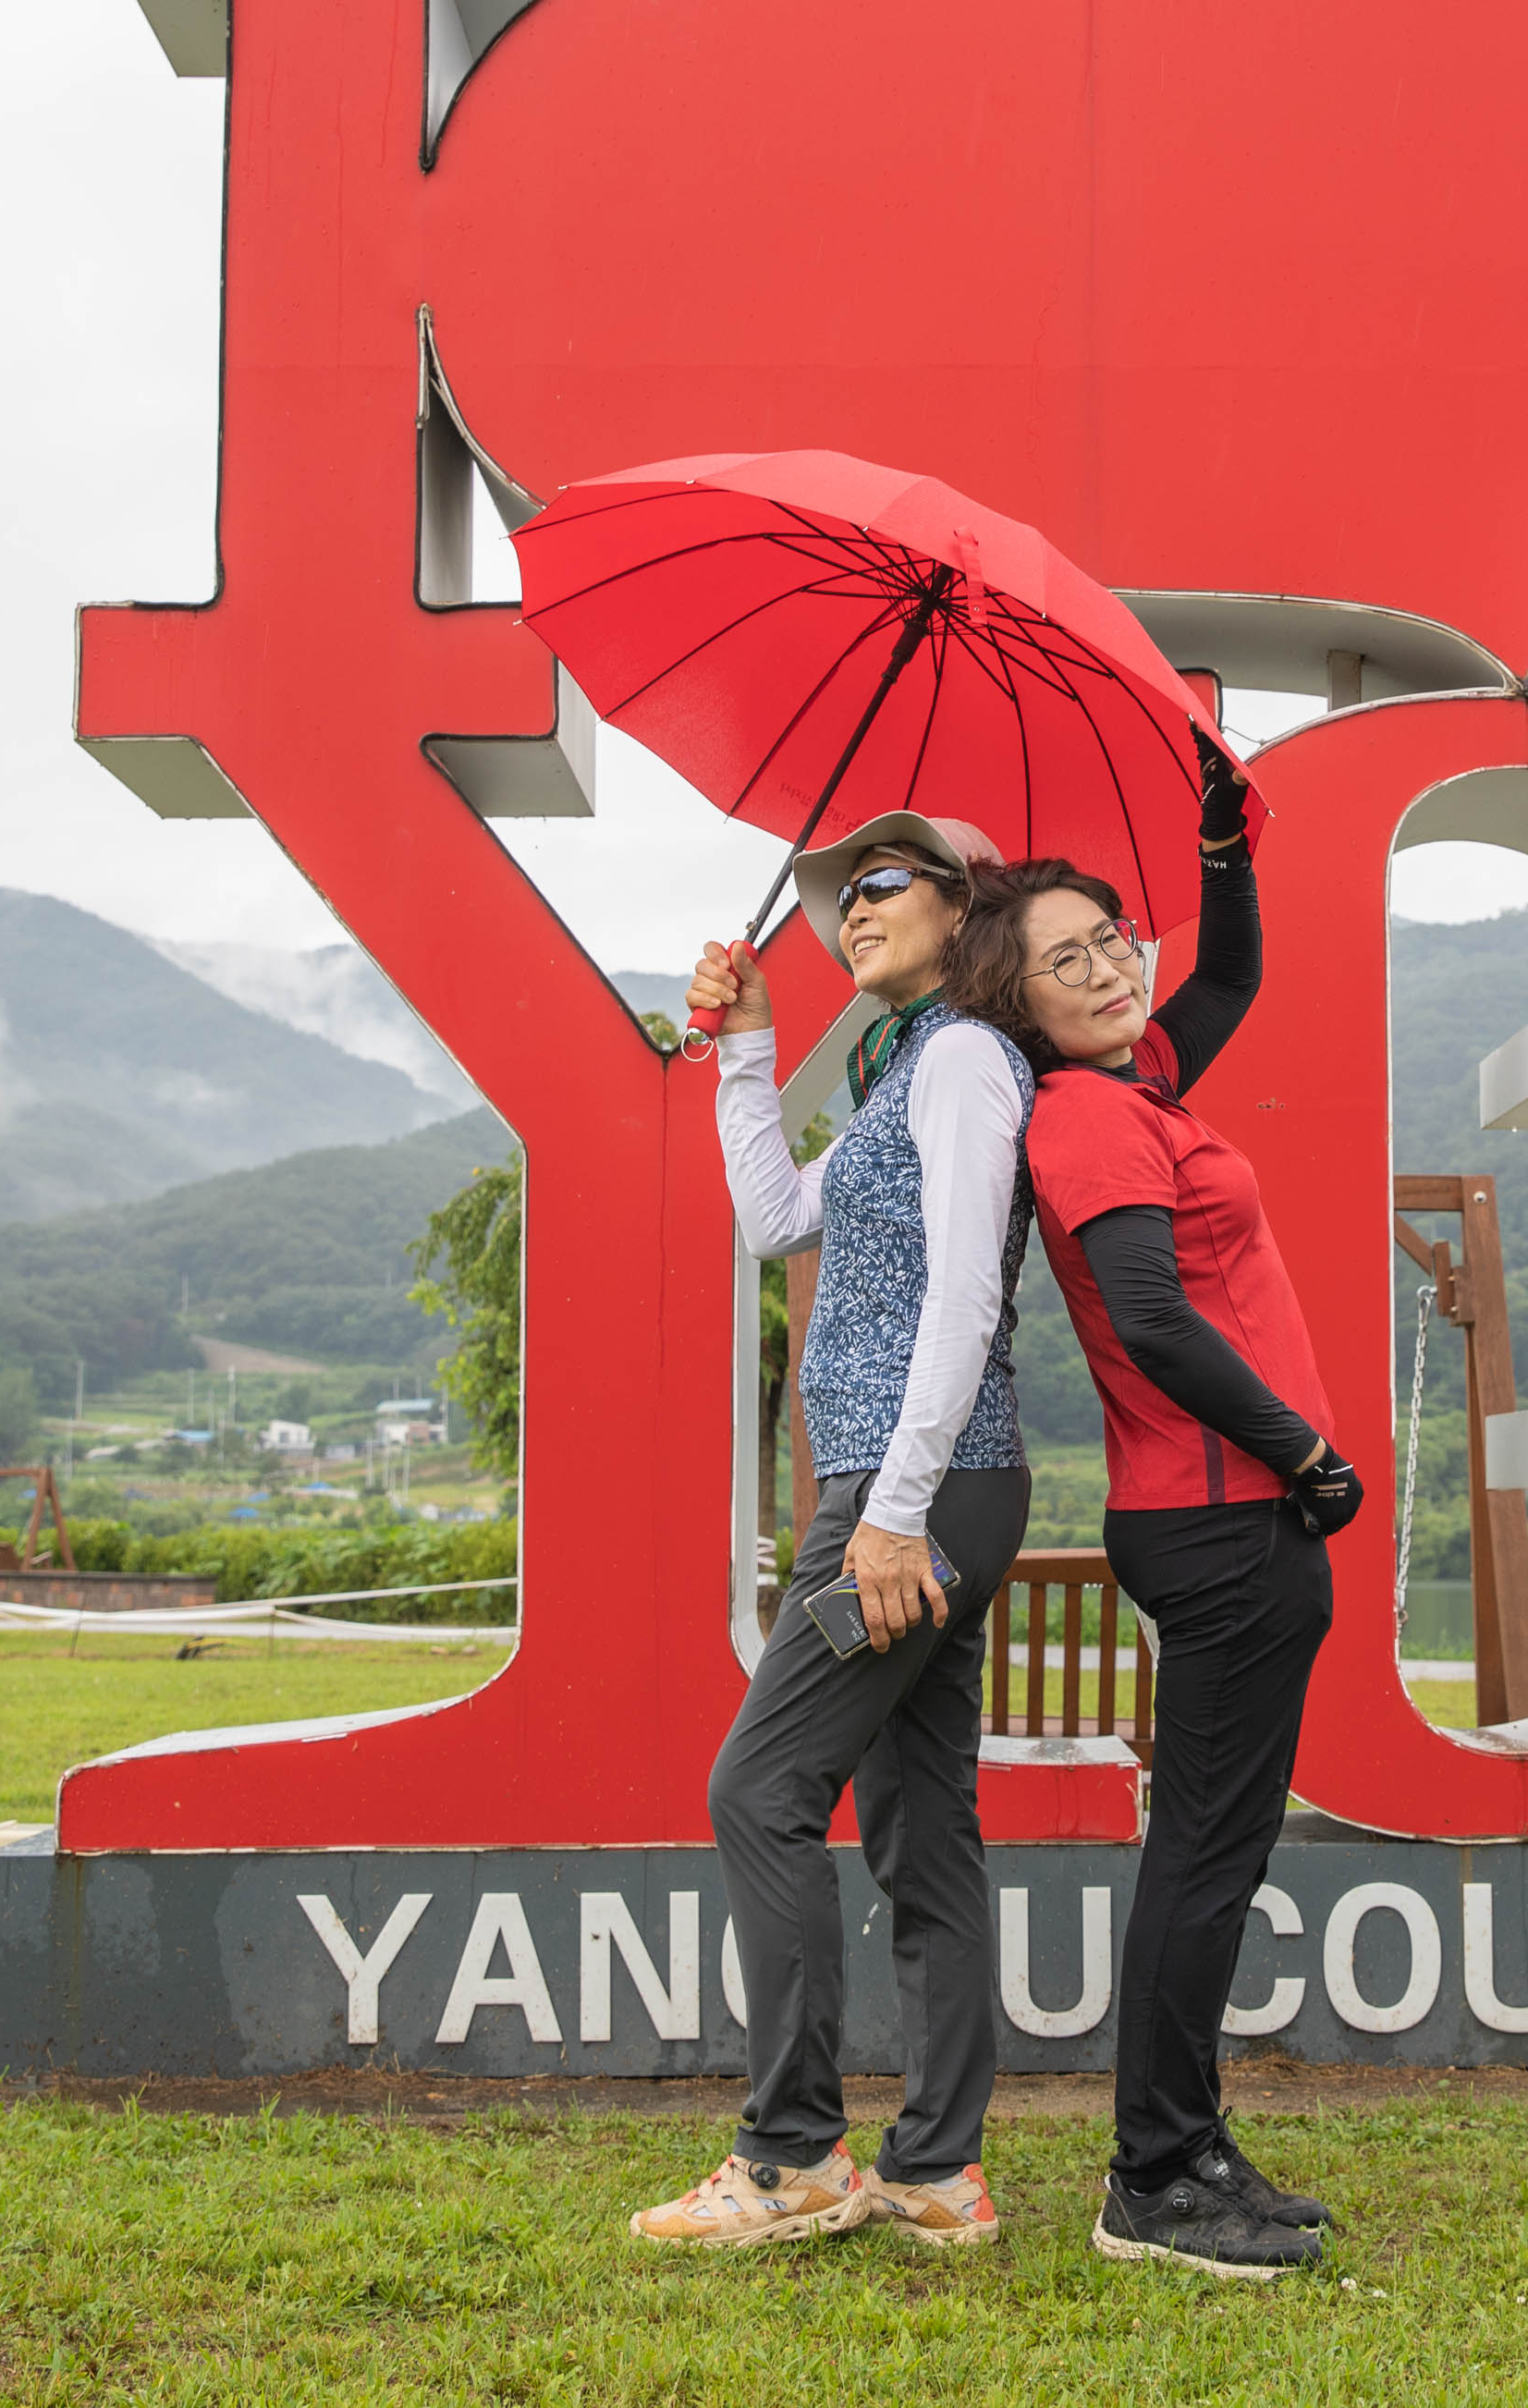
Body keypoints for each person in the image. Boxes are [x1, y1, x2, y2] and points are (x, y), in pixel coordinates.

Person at [943, 745, 1365, 2282]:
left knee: (1219, 1852)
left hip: (1234, 1516)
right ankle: (1154, 2177)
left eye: (1111, 936)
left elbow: (1230, 970)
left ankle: (1187, 2143)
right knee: (1201, 1857)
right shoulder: (1086, 1119)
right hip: (1224, 1515)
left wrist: (1220, 838)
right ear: (1020, 1005)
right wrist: (1303, 1450)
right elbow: (1153, 1317)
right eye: (1065, 959)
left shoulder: (1142, 1087)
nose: (1109, 966)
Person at [629, 812, 1035, 2255]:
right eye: (838, 893)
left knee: (760, 1785)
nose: (850, 907)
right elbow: (775, 1215)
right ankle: (937, 2170)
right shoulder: (900, 1070)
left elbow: (968, 1295)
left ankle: (794, 2152)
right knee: (922, 1825)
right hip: (918, 1486)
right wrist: (747, 1047)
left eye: (880, 882)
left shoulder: (967, 1057)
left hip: (908, 1491)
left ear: (960, 903)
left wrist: (894, 1513)